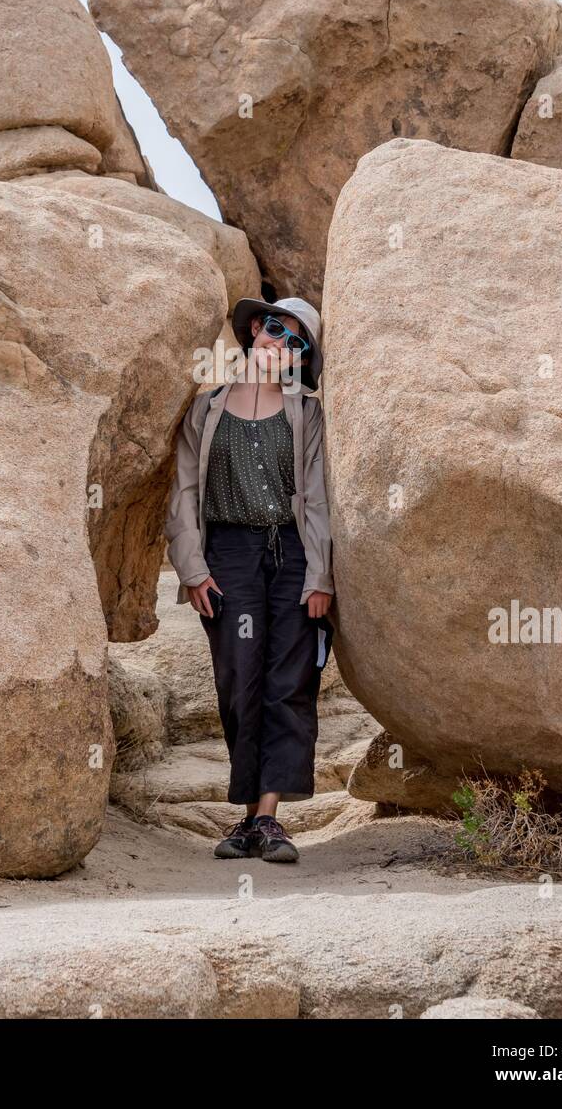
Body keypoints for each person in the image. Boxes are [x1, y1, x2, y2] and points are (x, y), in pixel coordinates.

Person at [163, 296, 334, 863]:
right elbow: (184, 491)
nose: (281, 345)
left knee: (290, 680)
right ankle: (244, 815)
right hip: (230, 553)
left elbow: (317, 498)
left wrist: (319, 575)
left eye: (296, 343)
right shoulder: (206, 408)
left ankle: (266, 818)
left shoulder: (307, 413)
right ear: (257, 328)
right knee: (239, 676)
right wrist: (193, 568)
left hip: (291, 553)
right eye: (277, 330)